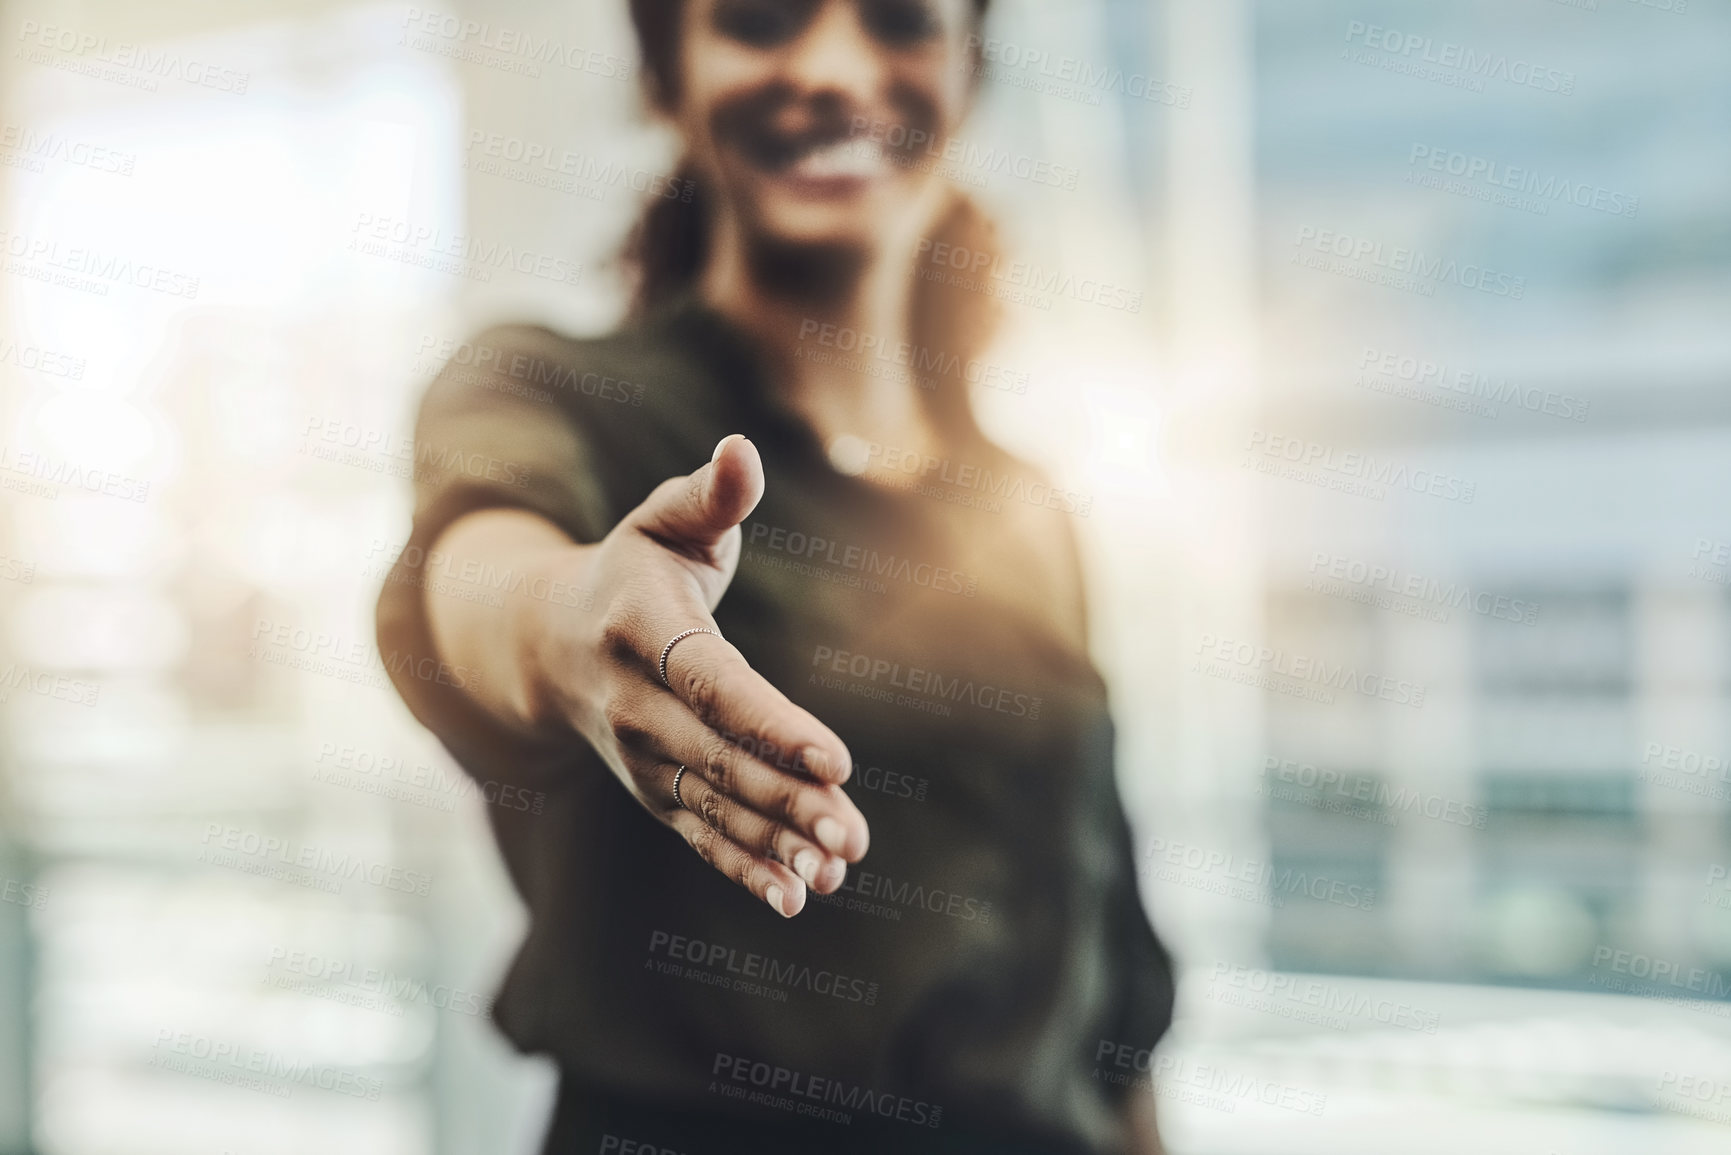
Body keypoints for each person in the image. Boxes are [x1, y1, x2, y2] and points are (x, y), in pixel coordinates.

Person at [376, 0, 1173, 1151]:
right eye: (759, 19)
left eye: (901, 22)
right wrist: (569, 628)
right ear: (667, 80)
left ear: (965, 73)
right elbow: (477, 573)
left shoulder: (1026, 510)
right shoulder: (556, 395)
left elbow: (1114, 982)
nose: (835, 68)